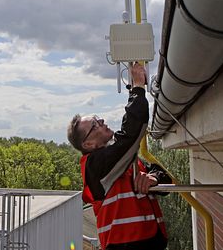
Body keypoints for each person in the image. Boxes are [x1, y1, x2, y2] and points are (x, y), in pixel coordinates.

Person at [67, 62, 169, 250]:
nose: (102, 121)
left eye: (98, 118)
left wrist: (154, 178)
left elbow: (166, 179)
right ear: (88, 144)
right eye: (95, 124)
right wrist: (137, 88)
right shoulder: (95, 166)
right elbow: (130, 133)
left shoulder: (127, 160)